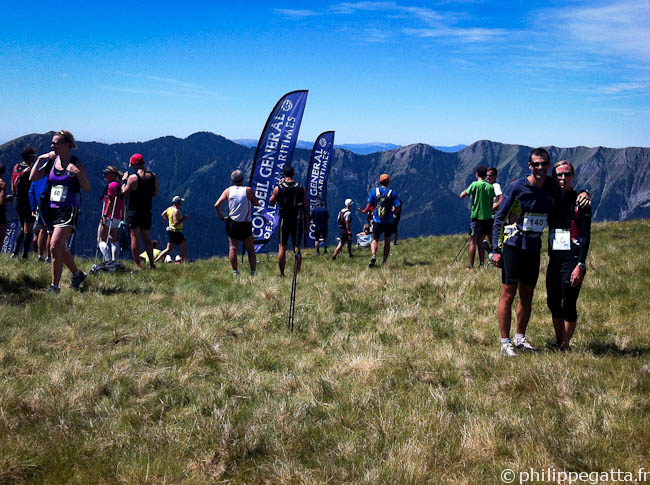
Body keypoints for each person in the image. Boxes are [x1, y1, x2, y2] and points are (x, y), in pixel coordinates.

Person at [492, 148, 589, 357]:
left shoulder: (551, 187)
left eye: (543, 164)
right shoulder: (517, 187)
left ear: (548, 165)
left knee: (527, 295)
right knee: (508, 294)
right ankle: (505, 341)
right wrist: (495, 249)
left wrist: (585, 192)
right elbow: (499, 217)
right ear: (529, 165)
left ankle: (520, 338)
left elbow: (569, 189)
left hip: (533, 248)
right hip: (513, 246)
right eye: (535, 164)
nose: (539, 168)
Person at [29, 130, 90, 293]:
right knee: (60, 247)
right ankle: (77, 274)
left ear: (66, 145)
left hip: (68, 209)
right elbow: (33, 178)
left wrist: (76, 173)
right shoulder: (51, 162)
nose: (52, 146)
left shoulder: (75, 162)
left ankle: (54, 286)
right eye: (52, 143)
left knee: (55, 246)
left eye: (56, 143)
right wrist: (40, 159)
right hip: (51, 209)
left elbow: (87, 187)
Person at [546, 161, 591, 350]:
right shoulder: (551, 197)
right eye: (559, 175)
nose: (563, 178)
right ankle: (560, 342)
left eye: (567, 174)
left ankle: (565, 345)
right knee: (553, 303)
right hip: (554, 260)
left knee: (569, 304)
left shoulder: (581, 202)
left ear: (573, 176)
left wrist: (580, 264)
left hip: (573, 260)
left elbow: (586, 235)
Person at [214, 169, 259, 275]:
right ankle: (253, 271)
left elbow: (217, 205)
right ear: (243, 179)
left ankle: (235, 271)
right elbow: (256, 203)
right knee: (250, 249)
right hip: (245, 224)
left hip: (232, 223)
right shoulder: (248, 190)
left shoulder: (228, 191)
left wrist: (222, 217)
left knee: (233, 248)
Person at [269, 165, 309, 276]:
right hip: (297, 220)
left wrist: (278, 186)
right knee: (297, 247)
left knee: (282, 247)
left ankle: (282, 273)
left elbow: (271, 202)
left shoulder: (279, 188)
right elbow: (306, 206)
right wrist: (307, 222)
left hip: (284, 220)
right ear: (293, 174)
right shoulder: (301, 188)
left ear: (284, 175)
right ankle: (296, 273)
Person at [121, 153, 158, 270]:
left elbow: (124, 195)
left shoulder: (133, 178)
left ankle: (138, 264)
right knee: (147, 237)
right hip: (147, 210)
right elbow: (155, 194)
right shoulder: (153, 176)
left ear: (134, 164)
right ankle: (152, 264)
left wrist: (124, 181)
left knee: (134, 236)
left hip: (134, 211)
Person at [460, 165, 495, 270]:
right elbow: (491, 202)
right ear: (485, 175)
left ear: (476, 174)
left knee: (472, 242)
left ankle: (470, 266)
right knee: (481, 242)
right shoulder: (490, 186)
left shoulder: (474, 184)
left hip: (476, 217)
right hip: (488, 218)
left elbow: (462, 195)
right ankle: (482, 265)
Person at [367, 173, 401, 268]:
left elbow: (369, 205)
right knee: (387, 241)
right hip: (389, 221)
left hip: (377, 221)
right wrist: (394, 211)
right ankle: (384, 261)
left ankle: (373, 255)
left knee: (375, 239)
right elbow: (398, 207)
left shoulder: (374, 191)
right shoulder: (392, 193)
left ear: (380, 181)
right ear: (388, 182)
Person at [11, 146, 36, 258]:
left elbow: (13, 185)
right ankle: (25, 255)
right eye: (33, 156)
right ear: (29, 157)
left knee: (22, 227)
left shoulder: (16, 167)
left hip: (17, 199)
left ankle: (15, 252)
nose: (34, 158)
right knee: (28, 228)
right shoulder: (29, 170)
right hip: (26, 201)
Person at [98, 166, 124, 262]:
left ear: (113, 175)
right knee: (114, 239)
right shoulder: (119, 185)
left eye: (107, 173)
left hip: (109, 215)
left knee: (101, 239)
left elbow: (110, 202)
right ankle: (114, 261)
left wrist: (105, 215)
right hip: (117, 215)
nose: (105, 175)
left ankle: (108, 260)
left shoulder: (111, 186)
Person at [155, 196, 189, 264]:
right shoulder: (176, 211)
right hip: (177, 232)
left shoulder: (169, 209)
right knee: (184, 249)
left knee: (168, 249)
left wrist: (169, 221)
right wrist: (183, 219)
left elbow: (163, 214)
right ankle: (182, 263)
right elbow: (176, 223)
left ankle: (156, 260)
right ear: (177, 203)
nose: (181, 204)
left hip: (171, 232)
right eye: (180, 202)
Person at [28, 171, 50, 262]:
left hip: (39, 206)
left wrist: (33, 206)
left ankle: (40, 256)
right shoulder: (51, 177)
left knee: (41, 231)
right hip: (49, 205)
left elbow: (31, 192)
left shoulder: (36, 177)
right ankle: (49, 257)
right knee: (49, 232)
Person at [0, 163, 9, 248]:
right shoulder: (2, 184)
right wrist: (7, 200)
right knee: (1, 232)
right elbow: (1, 200)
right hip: (0, 211)